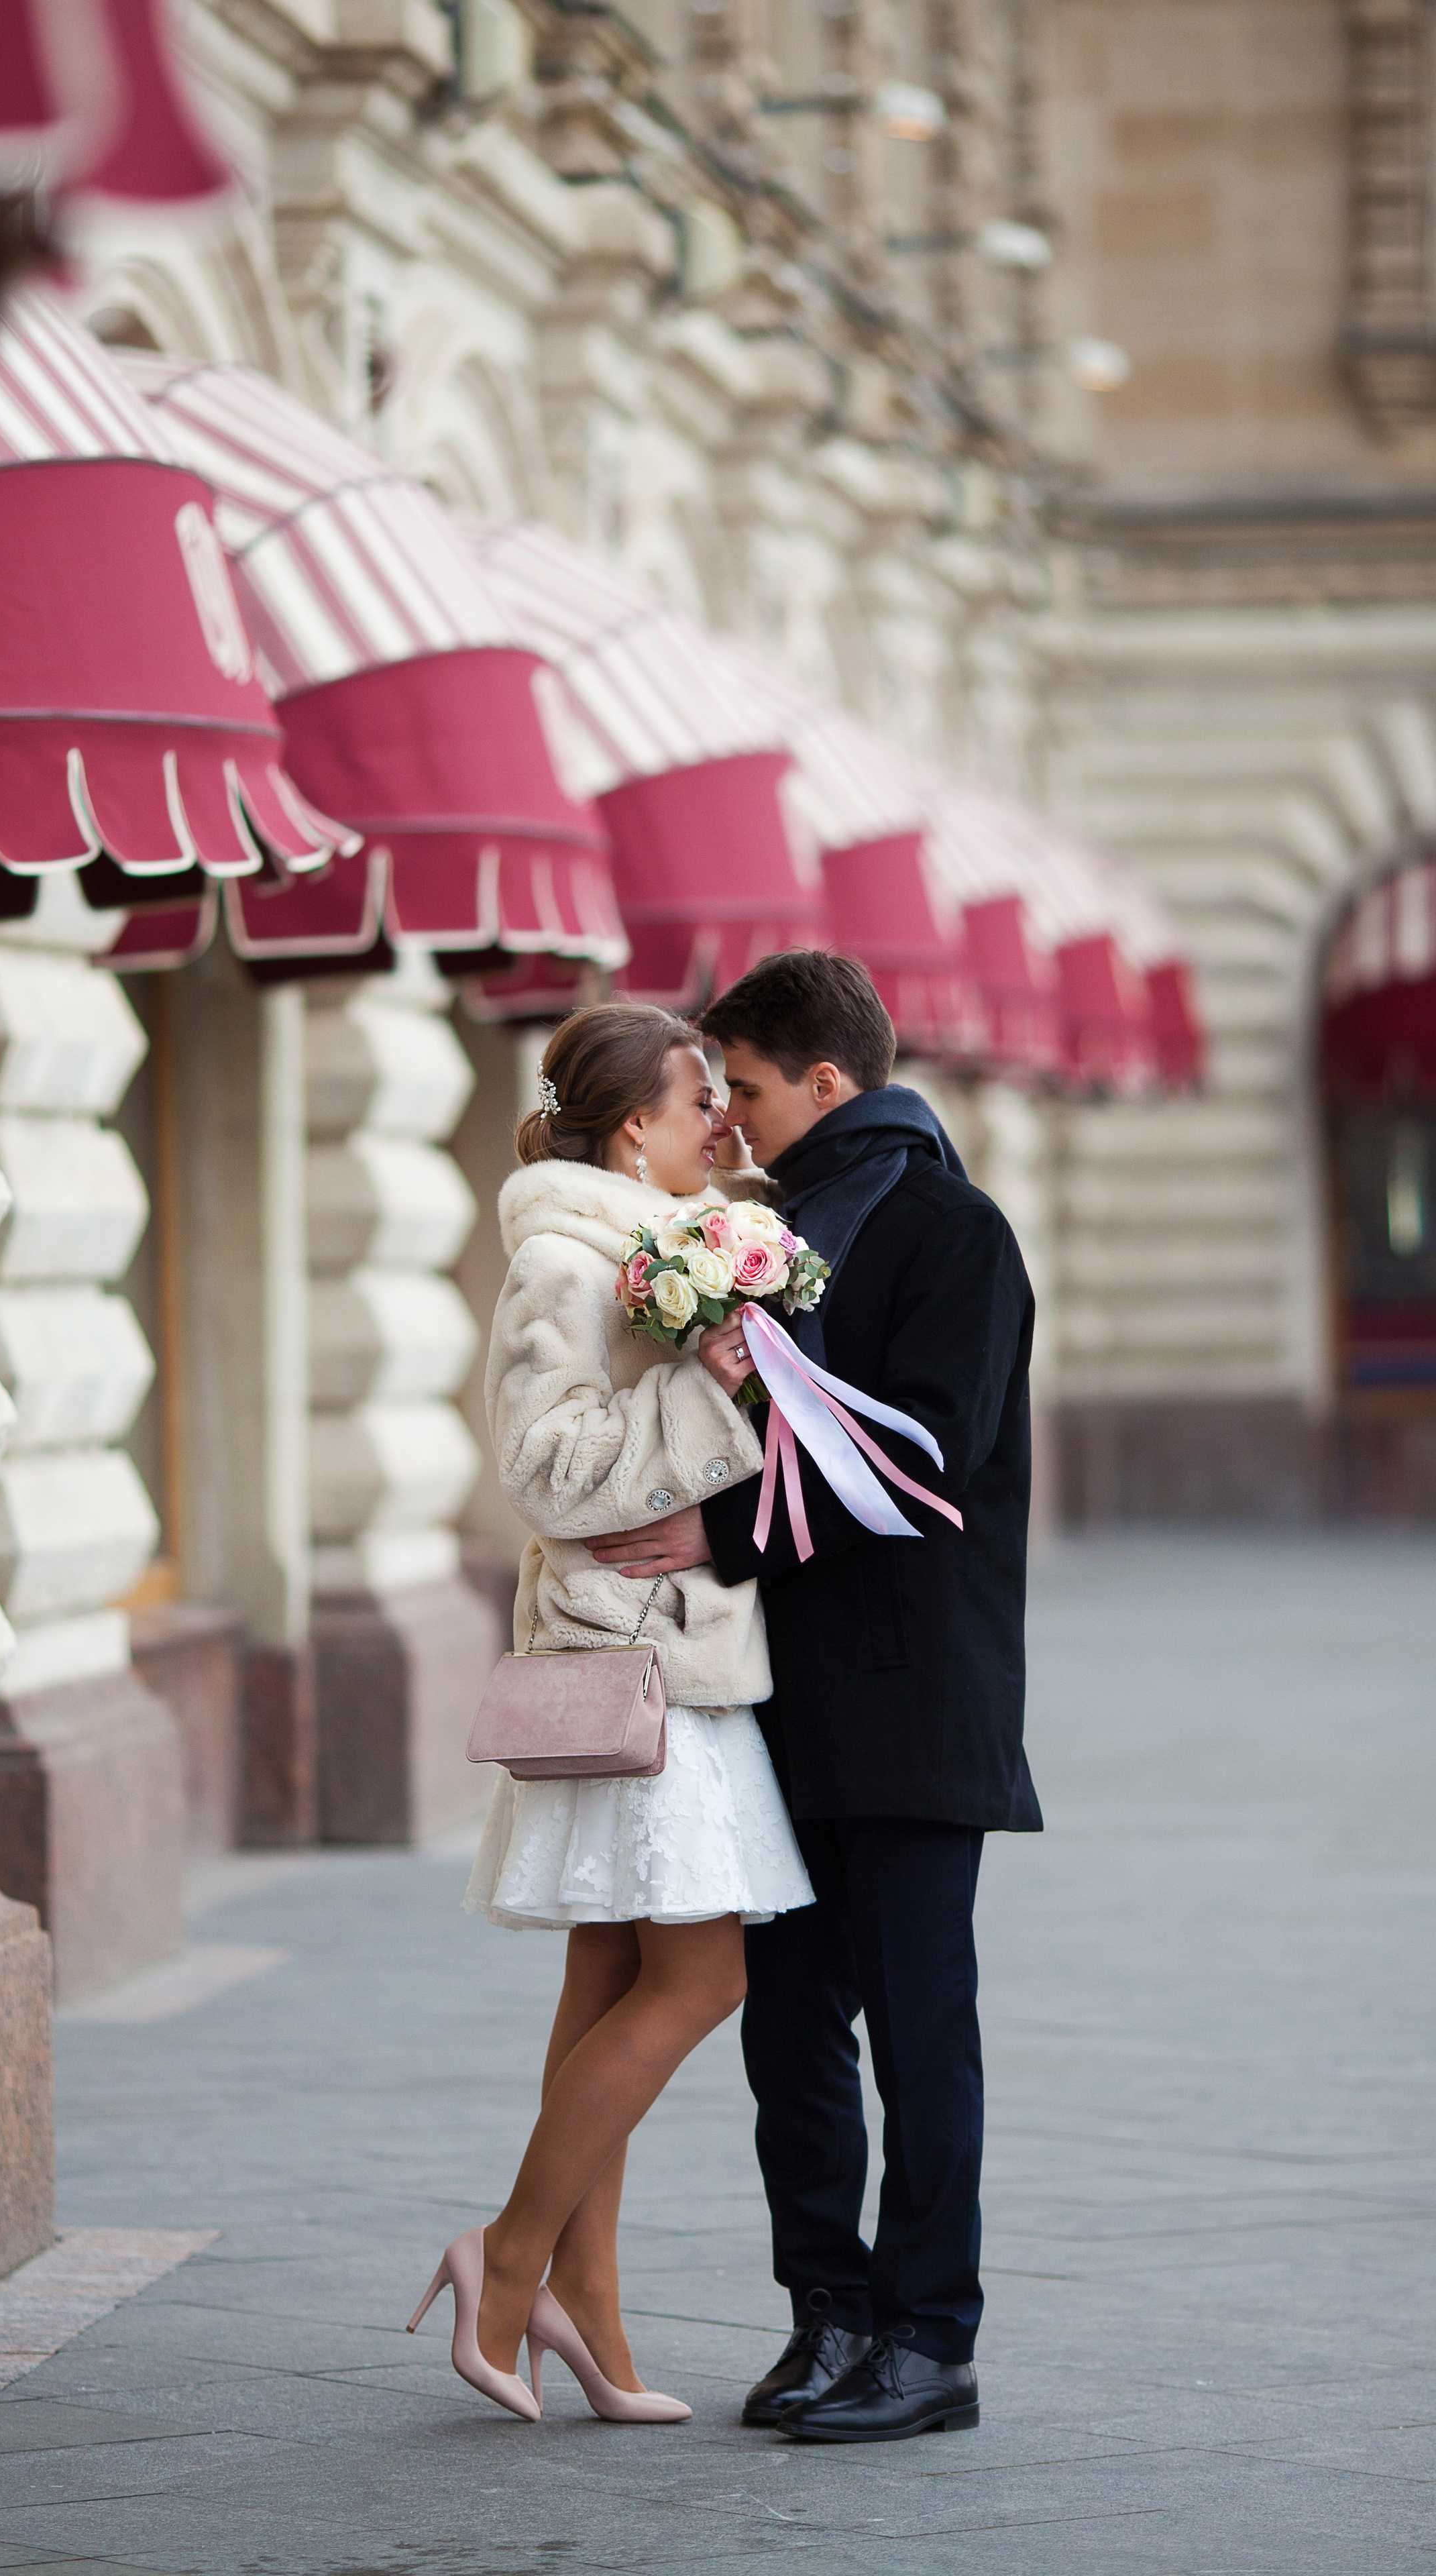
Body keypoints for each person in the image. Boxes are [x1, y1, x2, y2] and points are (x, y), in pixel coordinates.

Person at [586, 949, 1040, 2445]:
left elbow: (922, 1466)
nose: (732, 1117)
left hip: (913, 1697)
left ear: (827, 1084)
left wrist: (713, 1533)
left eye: (753, 1089)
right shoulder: (766, 1234)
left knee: (919, 2031)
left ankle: (930, 2342)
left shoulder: (949, 1233)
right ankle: (827, 2318)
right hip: (780, 1693)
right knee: (789, 2028)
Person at [409, 1001, 814, 2425]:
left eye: (722, 1095)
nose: (719, 1119)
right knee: (704, 1981)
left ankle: (590, 2312)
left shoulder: (664, 1246)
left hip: (675, 1652)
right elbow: (544, 1471)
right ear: (629, 1124)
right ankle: (506, 2256)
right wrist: (704, 1402)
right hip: (628, 1665)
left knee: (603, 1988)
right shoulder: (560, 1260)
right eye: (695, 1097)